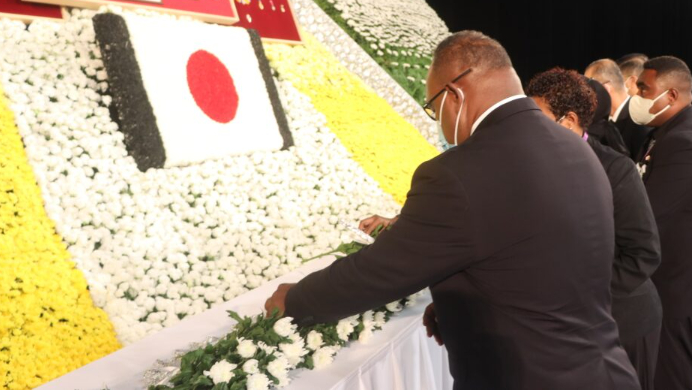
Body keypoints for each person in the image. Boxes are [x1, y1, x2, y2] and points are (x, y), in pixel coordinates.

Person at [263, 31, 640, 390]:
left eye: (433, 107)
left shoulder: (457, 172)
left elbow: (381, 271)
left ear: (454, 95)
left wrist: (295, 300)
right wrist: (463, 304)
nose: (438, 120)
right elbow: (545, 256)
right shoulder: (577, 148)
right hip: (606, 370)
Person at [526, 68, 662, 390]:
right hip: (569, 326)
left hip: (624, 322)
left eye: (535, 119)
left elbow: (643, 254)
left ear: (569, 121)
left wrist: (573, 288)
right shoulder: (532, 166)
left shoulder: (616, 170)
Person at [632, 56, 692, 390]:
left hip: (683, 286)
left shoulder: (684, 141)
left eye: (644, 87)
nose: (637, 93)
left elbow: (645, 215)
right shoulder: (667, 131)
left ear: (670, 95)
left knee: (676, 379)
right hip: (673, 281)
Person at [586, 58, 652, 159]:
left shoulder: (638, 121)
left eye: (588, 91)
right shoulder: (603, 122)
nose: (585, 98)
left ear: (606, 89)